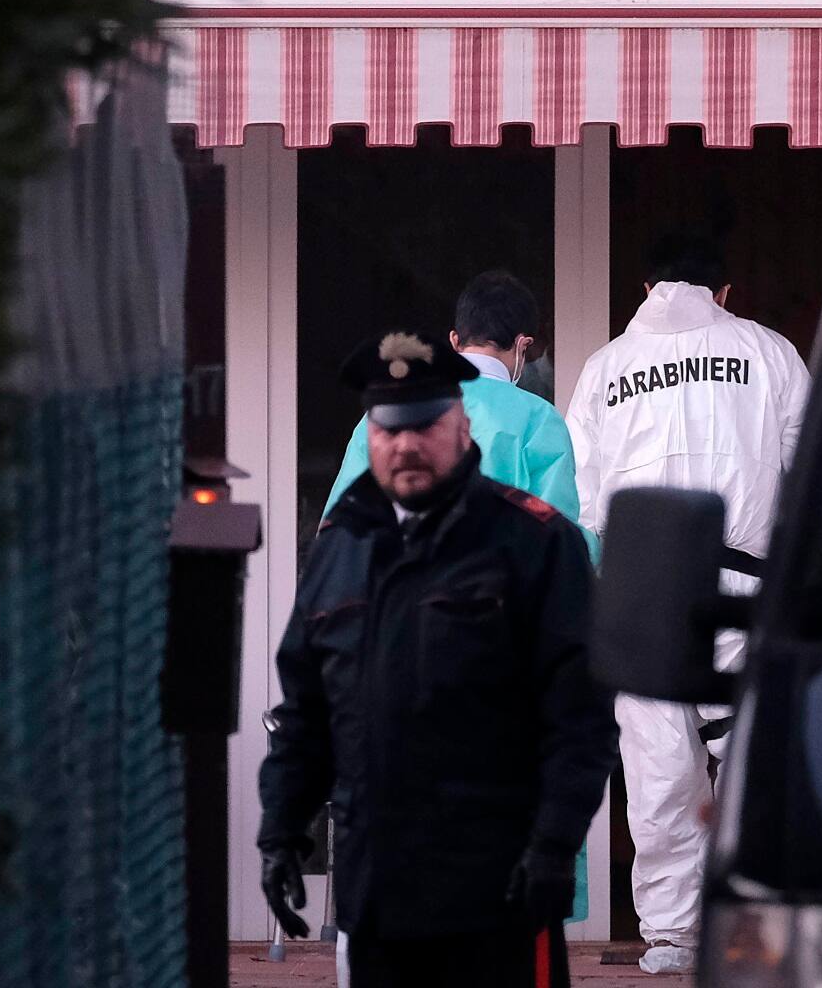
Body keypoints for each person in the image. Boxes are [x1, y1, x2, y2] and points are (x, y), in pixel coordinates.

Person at [259, 330, 617, 987]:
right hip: (379, 895)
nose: (406, 446)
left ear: (459, 427)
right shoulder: (341, 553)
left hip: (498, 889)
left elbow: (580, 718)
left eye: (425, 427)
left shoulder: (534, 545)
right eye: (390, 430)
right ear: (370, 437)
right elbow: (307, 714)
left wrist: (555, 844)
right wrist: (280, 831)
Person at [565, 235, 809, 974]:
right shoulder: (769, 354)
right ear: (723, 293)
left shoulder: (606, 369)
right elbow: (809, 468)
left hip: (645, 590)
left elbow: (582, 496)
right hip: (749, 582)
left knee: (659, 764)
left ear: (644, 290)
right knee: (750, 754)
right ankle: (762, 918)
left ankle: (672, 934)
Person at [323, 270, 597, 560]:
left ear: (454, 341)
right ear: (522, 345)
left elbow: (337, 527)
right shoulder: (538, 419)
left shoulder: (386, 412)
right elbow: (559, 542)